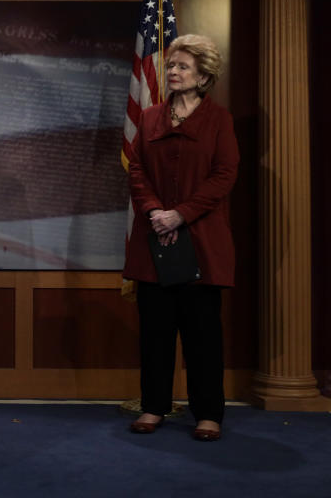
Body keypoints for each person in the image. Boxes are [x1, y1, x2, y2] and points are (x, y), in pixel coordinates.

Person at [123, 34, 239, 442]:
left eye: (183, 66)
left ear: (203, 76)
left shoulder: (218, 119)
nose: (173, 72)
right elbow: (136, 168)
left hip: (201, 242)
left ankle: (208, 414)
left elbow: (225, 174)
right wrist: (156, 212)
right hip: (154, 237)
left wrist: (181, 214)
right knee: (155, 331)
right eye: (171, 65)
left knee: (202, 334)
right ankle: (154, 407)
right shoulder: (152, 117)